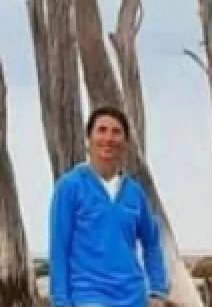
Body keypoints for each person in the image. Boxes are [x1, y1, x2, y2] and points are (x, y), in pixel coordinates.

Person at [48, 106, 168, 307]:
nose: (108, 138)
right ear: (89, 139)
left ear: (125, 143)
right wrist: (61, 301)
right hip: (88, 296)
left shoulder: (135, 192)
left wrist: (157, 290)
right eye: (101, 130)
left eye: (116, 132)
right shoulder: (70, 187)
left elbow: (152, 241)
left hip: (134, 298)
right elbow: (59, 249)